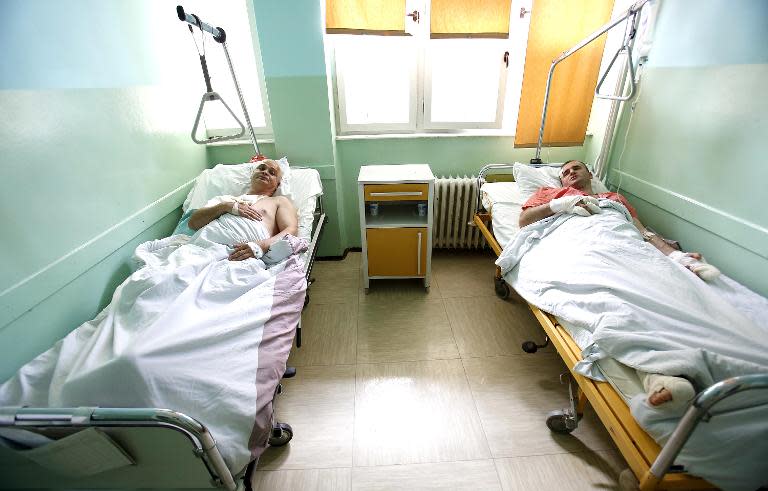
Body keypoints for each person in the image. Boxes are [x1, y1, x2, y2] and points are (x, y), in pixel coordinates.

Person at [518, 160, 721, 409]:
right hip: (577, 245)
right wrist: (560, 205)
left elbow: (643, 232)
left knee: (661, 291)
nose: (570, 173)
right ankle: (656, 374)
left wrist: (676, 256)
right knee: (613, 301)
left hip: (623, 245)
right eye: (565, 173)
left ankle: (678, 359)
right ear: (561, 181)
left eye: (576, 168)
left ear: (589, 173)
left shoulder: (614, 198)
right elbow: (524, 221)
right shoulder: (551, 194)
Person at [188, 159, 298, 262]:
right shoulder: (224, 200)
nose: (265, 172)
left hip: (240, 255)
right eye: (261, 168)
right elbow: (193, 223)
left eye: (272, 173)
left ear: (277, 185)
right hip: (203, 247)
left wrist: (261, 246)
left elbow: (291, 230)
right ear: (252, 175)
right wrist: (225, 207)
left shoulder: (279, 201)